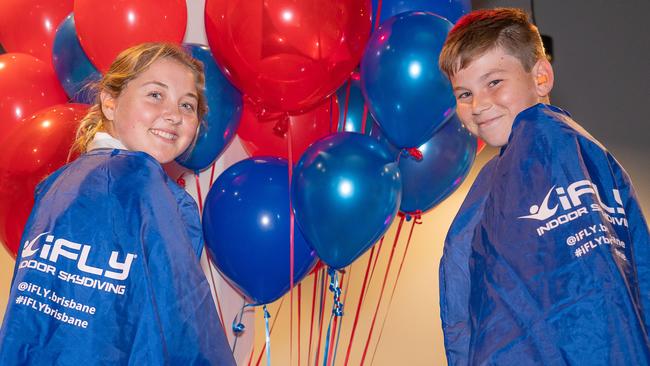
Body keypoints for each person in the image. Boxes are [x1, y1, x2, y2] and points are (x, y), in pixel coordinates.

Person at [0, 43, 236, 365]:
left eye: (187, 105)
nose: (173, 115)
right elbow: (185, 331)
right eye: (156, 95)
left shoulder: (59, 183)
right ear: (110, 103)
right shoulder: (150, 193)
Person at [438, 8, 650, 365]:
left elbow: (580, 295)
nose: (479, 105)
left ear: (540, 77)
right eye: (464, 94)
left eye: (494, 82)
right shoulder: (505, 171)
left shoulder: (545, 141)